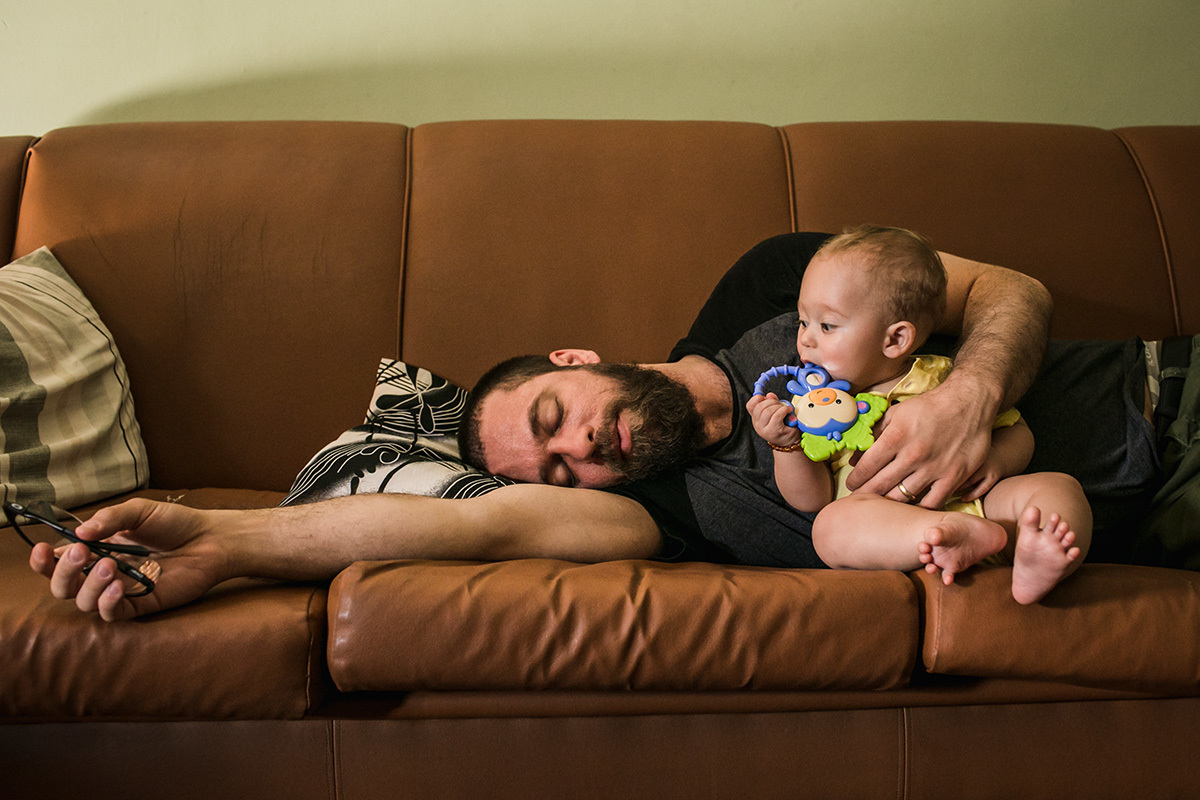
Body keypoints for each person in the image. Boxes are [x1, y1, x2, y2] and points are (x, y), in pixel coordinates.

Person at [29, 232, 1157, 622]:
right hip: (1127, 524)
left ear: (577, 357)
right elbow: (466, 533)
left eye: (560, 415)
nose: (586, 453)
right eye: (562, 465)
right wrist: (212, 539)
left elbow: (1006, 288)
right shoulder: (663, 517)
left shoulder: (774, 287)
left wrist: (966, 395)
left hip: (1159, 392)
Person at [746, 227, 1090, 604]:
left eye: (827, 325)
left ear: (895, 340)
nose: (806, 339)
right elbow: (812, 499)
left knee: (1059, 489)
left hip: (986, 509)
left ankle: (1038, 561)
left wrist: (995, 460)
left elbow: (1018, 430)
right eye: (802, 322)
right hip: (895, 529)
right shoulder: (813, 408)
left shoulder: (940, 379)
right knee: (829, 526)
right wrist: (785, 446)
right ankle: (950, 532)